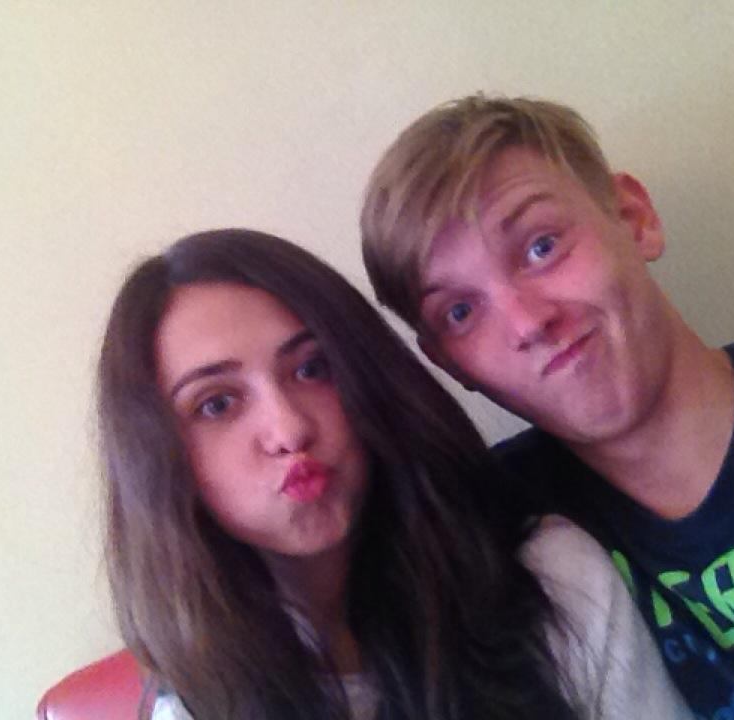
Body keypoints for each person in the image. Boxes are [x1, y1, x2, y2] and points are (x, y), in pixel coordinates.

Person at [359, 93, 734, 720]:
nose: (527, 322)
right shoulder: (485, 531)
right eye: (460, 311)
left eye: (541, 247)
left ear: (634, 220)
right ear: (450, 364)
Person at [96, 228, 691, 720]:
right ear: (159, 457)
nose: (289, 430)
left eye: (313, 369)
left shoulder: (548, 579)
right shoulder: (194, 705)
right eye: (217, 404)